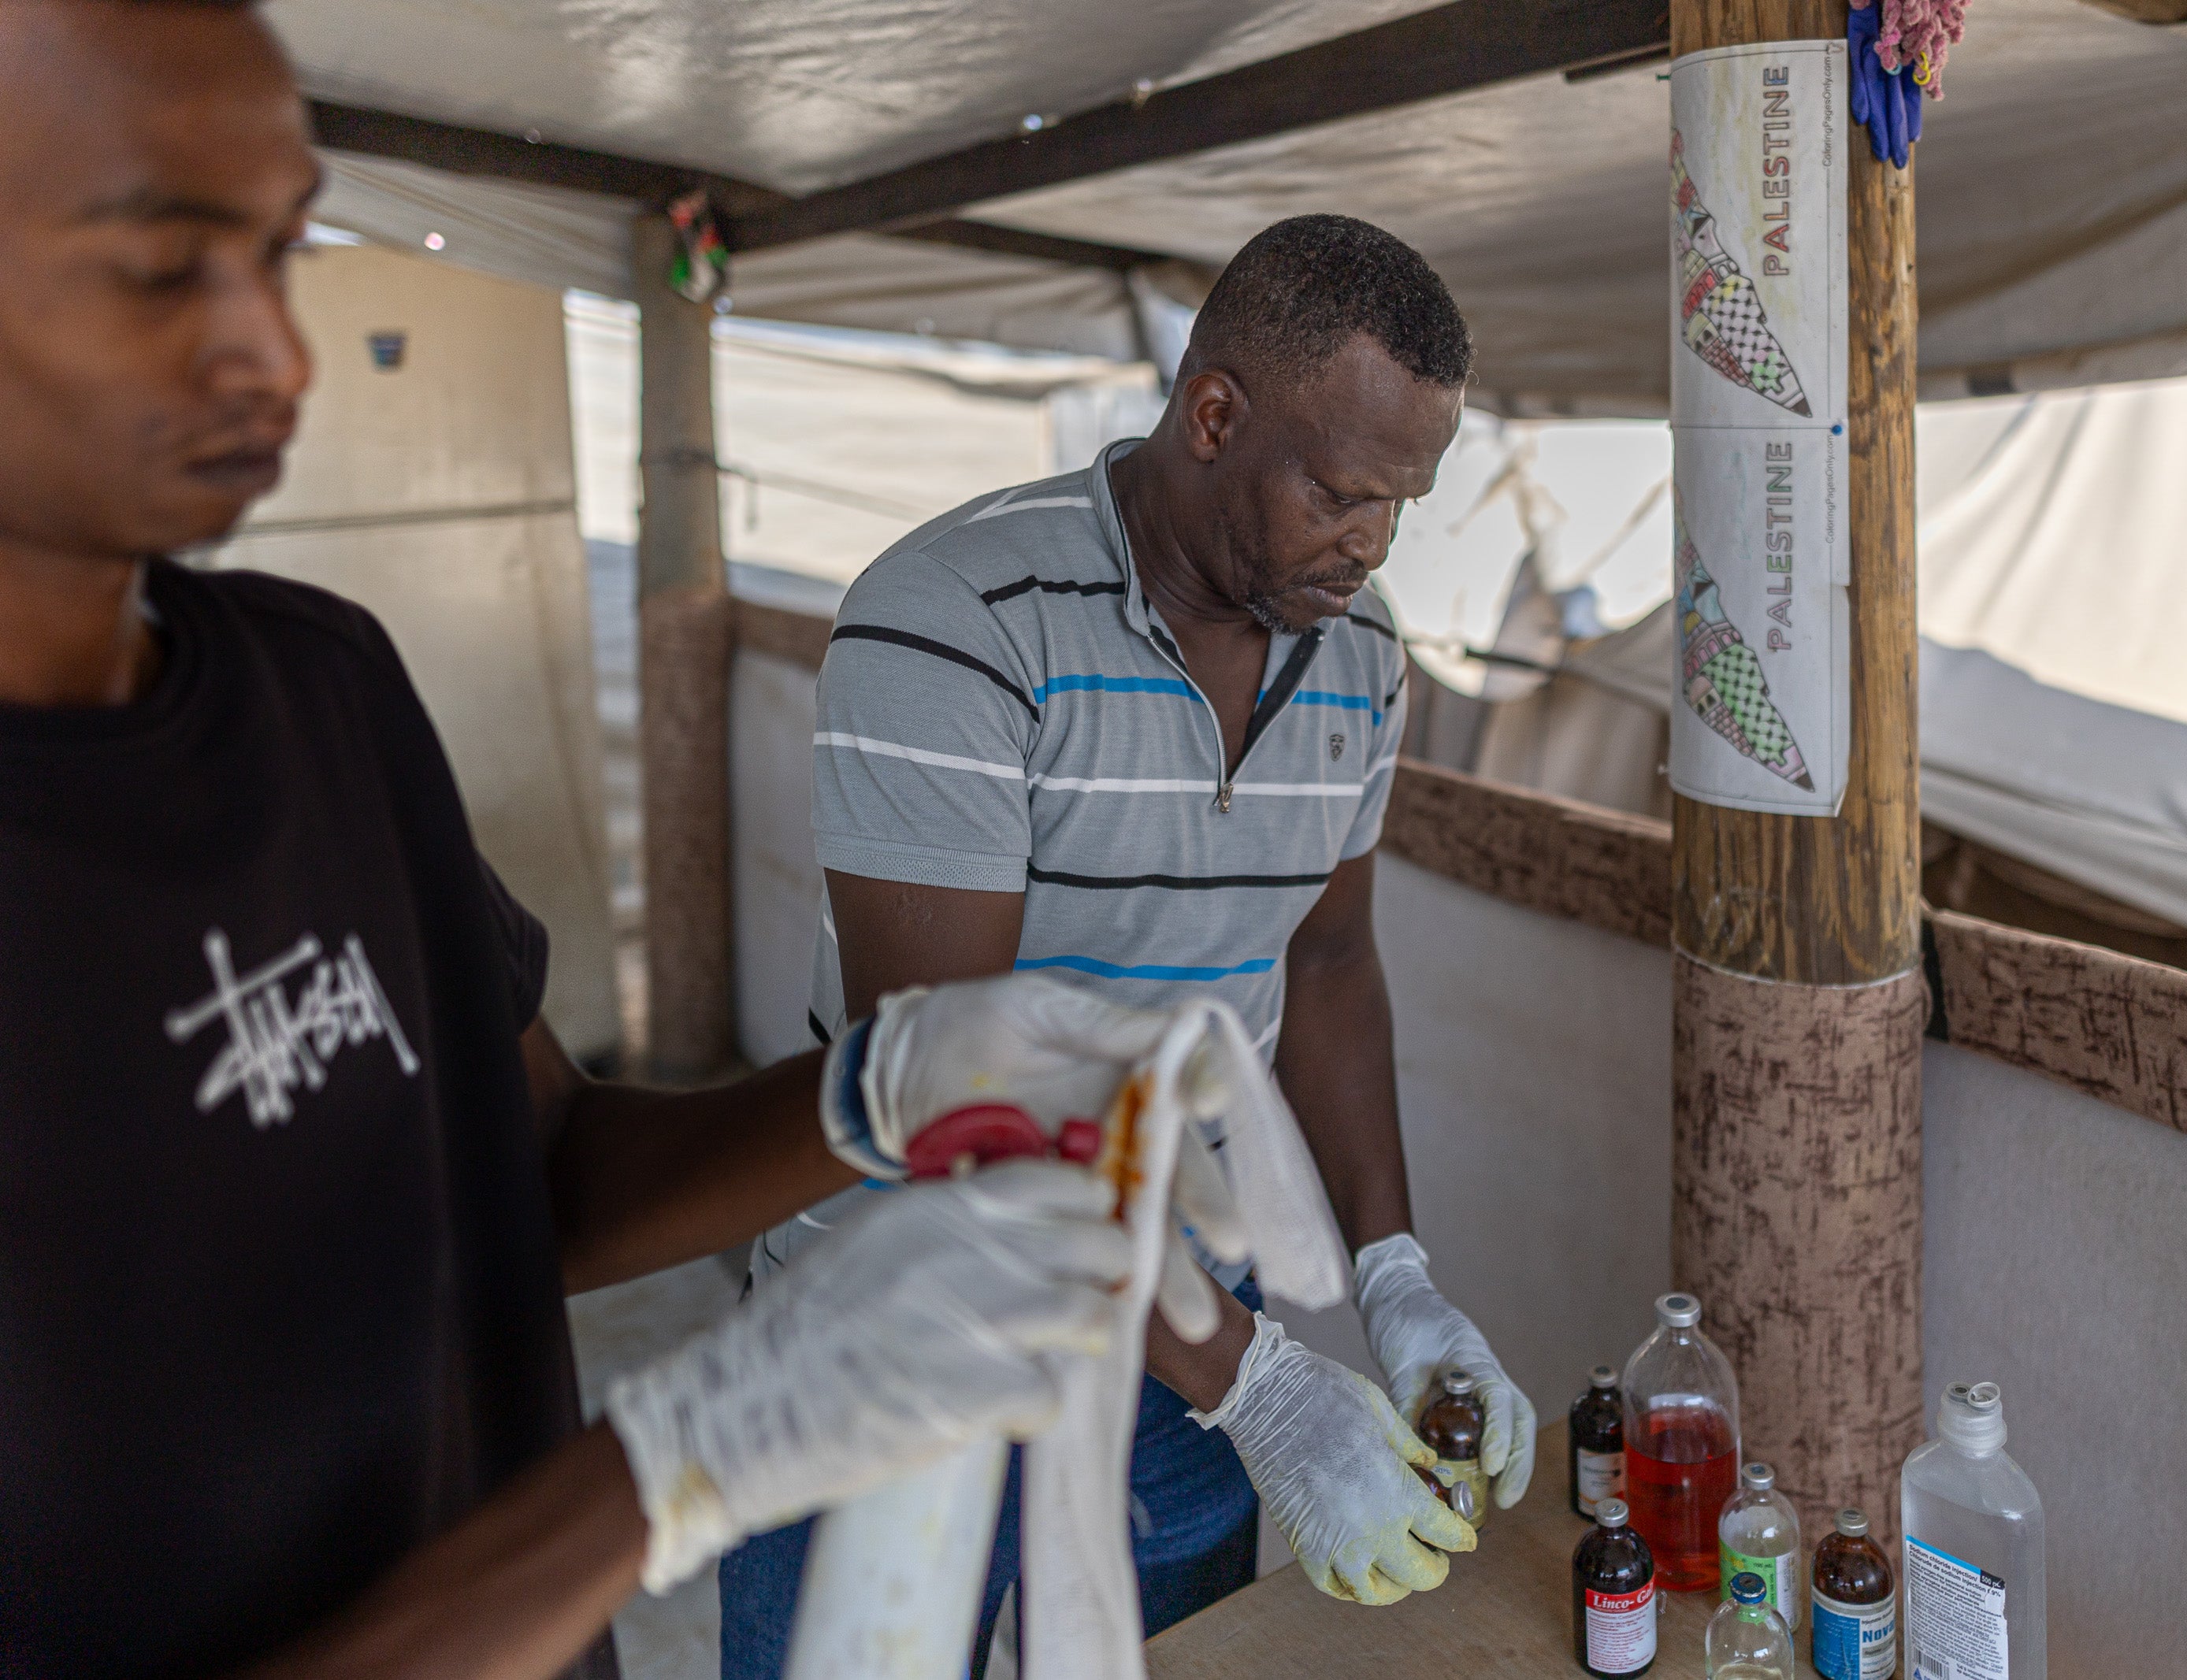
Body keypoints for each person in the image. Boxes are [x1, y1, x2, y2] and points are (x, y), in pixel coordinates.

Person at [0, 5, 1145, 1676]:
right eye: (166, 268)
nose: (277, 352)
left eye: (279, 248)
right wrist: (675, 1466)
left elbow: (528, 1172)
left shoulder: (319, 688)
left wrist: (888, 1087)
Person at [719, 214, 1540, 1670]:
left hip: (1181, 1326)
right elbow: (959, 1088)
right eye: (1344, 492)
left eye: (1404, 503)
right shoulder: (951, 622)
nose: (1373, 543)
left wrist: (1393, 1273)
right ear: (1213, 413)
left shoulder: (1360, 657)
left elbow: (1328, 957)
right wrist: (1266, 1394)